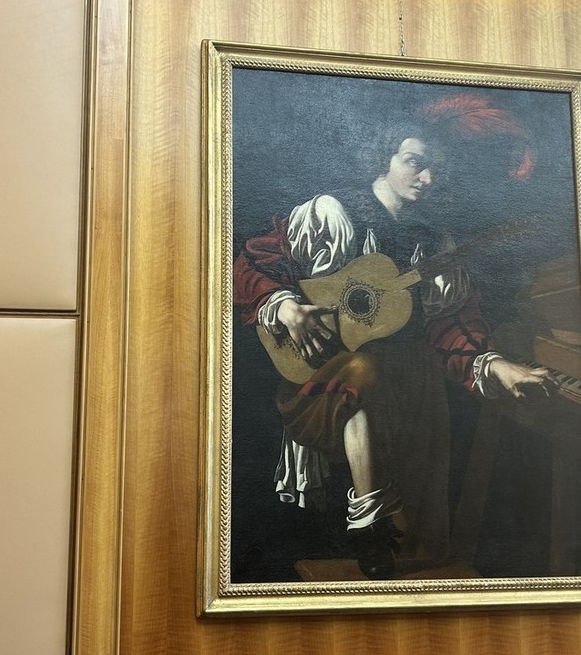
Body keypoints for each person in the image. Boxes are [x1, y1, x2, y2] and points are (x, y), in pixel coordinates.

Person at [233, 122, 556, 579]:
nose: (427, 178)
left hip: (413, 385)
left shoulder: (436, 243)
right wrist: (285, 307)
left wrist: (495, 363)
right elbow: (252, 263)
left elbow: (451, 320)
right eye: (415, 162)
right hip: (325, 372)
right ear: (383, 159)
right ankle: (368, 522)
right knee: (362, 371)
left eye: (435, 169)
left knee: (419, 537)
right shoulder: (332, 214)